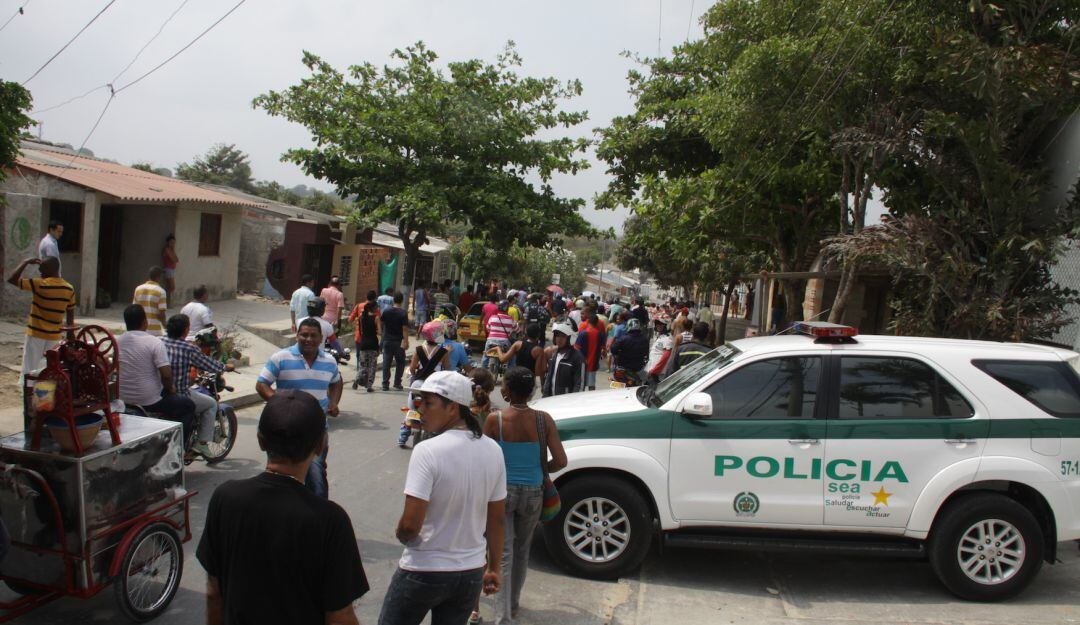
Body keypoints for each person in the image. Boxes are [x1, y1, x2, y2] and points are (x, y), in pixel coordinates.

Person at [198, 391, 369, 625]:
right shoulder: (330, 520)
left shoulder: (225, 497)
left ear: (260, 440)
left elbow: (213, 592)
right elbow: (340, 618)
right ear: (320, 445)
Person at [379, 370, 506, 625]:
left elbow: (410, 525)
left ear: (453, 408)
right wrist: (493, 567)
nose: (420, 409)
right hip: (470, 573)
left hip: (423, 569)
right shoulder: (493, 450)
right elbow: (497, 519)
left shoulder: (427, 451)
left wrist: (402, 535)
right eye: (420, 401)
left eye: (429, 403)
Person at [484, 367, 567, 625]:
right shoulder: (544, 420)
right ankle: (513, 605)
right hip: (533, 493)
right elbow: (561, 461)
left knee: (502, 554)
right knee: (521, 552)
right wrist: (540, 470)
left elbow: (483, 459)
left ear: (507, 390)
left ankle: (503, 617)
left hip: (501, 494)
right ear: (532, 391)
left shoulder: (495, 420)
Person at [256, 318, 343, 499]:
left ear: (321, 339)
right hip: (284, 431)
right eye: (304, 335)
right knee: (280, 476)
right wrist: (280, 404)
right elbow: (262, 384)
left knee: (316, 478)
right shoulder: (281, 357)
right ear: (297, 336)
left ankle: (318, 512)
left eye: (313, 335)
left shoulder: (329, 361)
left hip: (316, 431)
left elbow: (336, 381)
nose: (308, 339)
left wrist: (334, 402)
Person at [116, 304, 196, 442]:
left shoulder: (118, 341)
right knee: (188, 406)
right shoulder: (154, 342)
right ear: (145, 322)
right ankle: (180, 447)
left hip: (123, 398)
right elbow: (166, 375)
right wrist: (171, 389)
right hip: (149, 400)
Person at [162, 314, 230, 459]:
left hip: (159, 392)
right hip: (179, 394)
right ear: (186, 330)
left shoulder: (159, 341)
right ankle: (202, 443)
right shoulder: (189, 348)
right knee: (211, 403)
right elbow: (209, 364)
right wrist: (225, 367)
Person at [7, 256, 75, 392]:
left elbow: (12, 279)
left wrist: (25, 262)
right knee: (48, 371)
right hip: (54, 338)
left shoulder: (40, 284)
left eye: (42, 270)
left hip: (36, 334)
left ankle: (29, 399)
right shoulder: (69, 289)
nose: (40, 273)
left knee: (30, 370)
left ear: (49, 270)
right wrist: (70, 337)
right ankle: (44, 400)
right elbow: (70, 316)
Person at [490, 323, 547, 396]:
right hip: (529, 381)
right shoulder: (538, 350)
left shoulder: (517, 344)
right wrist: (543, 385)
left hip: (516, 378)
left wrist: (498, 349)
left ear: (526, 332)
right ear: (539, 335)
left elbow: (503, 359)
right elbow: (538, 372)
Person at [541, 322, 585, 397]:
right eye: (557, 336)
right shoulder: (553, 355)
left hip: (566, 401)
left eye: (563, 336)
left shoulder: (577, 357)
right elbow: (548, 378)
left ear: (570, 338)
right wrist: (545, 395)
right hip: (551, 399)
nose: (559, 339)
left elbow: (579, 384)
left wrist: (574, 400)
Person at [349, 292, 381, 392]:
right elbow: (380, 332)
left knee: (363, 365)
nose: (378, 308)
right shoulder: (376, 318)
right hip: (373, 344)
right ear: (374, 308)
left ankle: (356, 380)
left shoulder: (362, 318)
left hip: (363, 343)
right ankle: (369, 386)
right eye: (377, 307)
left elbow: (360, 329)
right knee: (372, 366)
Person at [381, 292, 410, 391]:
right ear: (402, 301)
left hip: (387, 340)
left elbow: (382, 323)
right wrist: (406, 341)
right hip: (398, 341)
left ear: (393, 300)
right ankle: (397, 383)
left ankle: (385, 384)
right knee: (400, 362)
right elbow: (405, 328)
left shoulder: (386, 311)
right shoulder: (403, 313)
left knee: (386, 362)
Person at [610, 318, 650, 383]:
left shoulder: (623, 338)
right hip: (639, 367)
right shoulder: (645, 339)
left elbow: (613, 350)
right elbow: (646, 352)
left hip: (623, 367)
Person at [133, 267, 169, 336]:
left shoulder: (138, 289)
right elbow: (161, 313)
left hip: (139, 328)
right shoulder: (161, 291)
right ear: (159, 277)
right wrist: (165, 325)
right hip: (153, 330)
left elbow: (134, 309)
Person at [574, 313, 605, 391]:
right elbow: (603, 350)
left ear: (588, 322)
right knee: (592, 385)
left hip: (582, 364)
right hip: (593, 364)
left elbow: (576, 349)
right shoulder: (600, 334)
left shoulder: (583, 333)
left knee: (582, 384)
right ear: (597, 323)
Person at [483, 300, 517, 371]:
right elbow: (515, 328)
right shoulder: (510, 319)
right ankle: (511, 372)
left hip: (490, 341)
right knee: (512, 355)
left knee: (485, 355)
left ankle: (482, 371)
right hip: (504, 342)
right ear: (507, 309)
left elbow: (488, 328)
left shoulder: (492, 317)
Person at [646, 316, 675, 385]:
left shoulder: (667, 338)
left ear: (666, 326)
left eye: (661, 324)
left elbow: (666, 355)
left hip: (659, 373)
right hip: (654, 371)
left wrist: (655, 370)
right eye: (657, 324)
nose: (658, 326)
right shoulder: (661, 337)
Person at [162, 234, 178, 304]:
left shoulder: (172, 250)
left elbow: (176, 259)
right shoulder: (167, 250)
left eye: (174, 243)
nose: (173, 244)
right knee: (172, 286)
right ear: (168, 242)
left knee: (170, 287)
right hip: (168, 269)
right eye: (171, 242)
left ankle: (167, 301)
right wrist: (173, 256)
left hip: (172, 269)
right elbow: (173, 259)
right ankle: (165, 301)